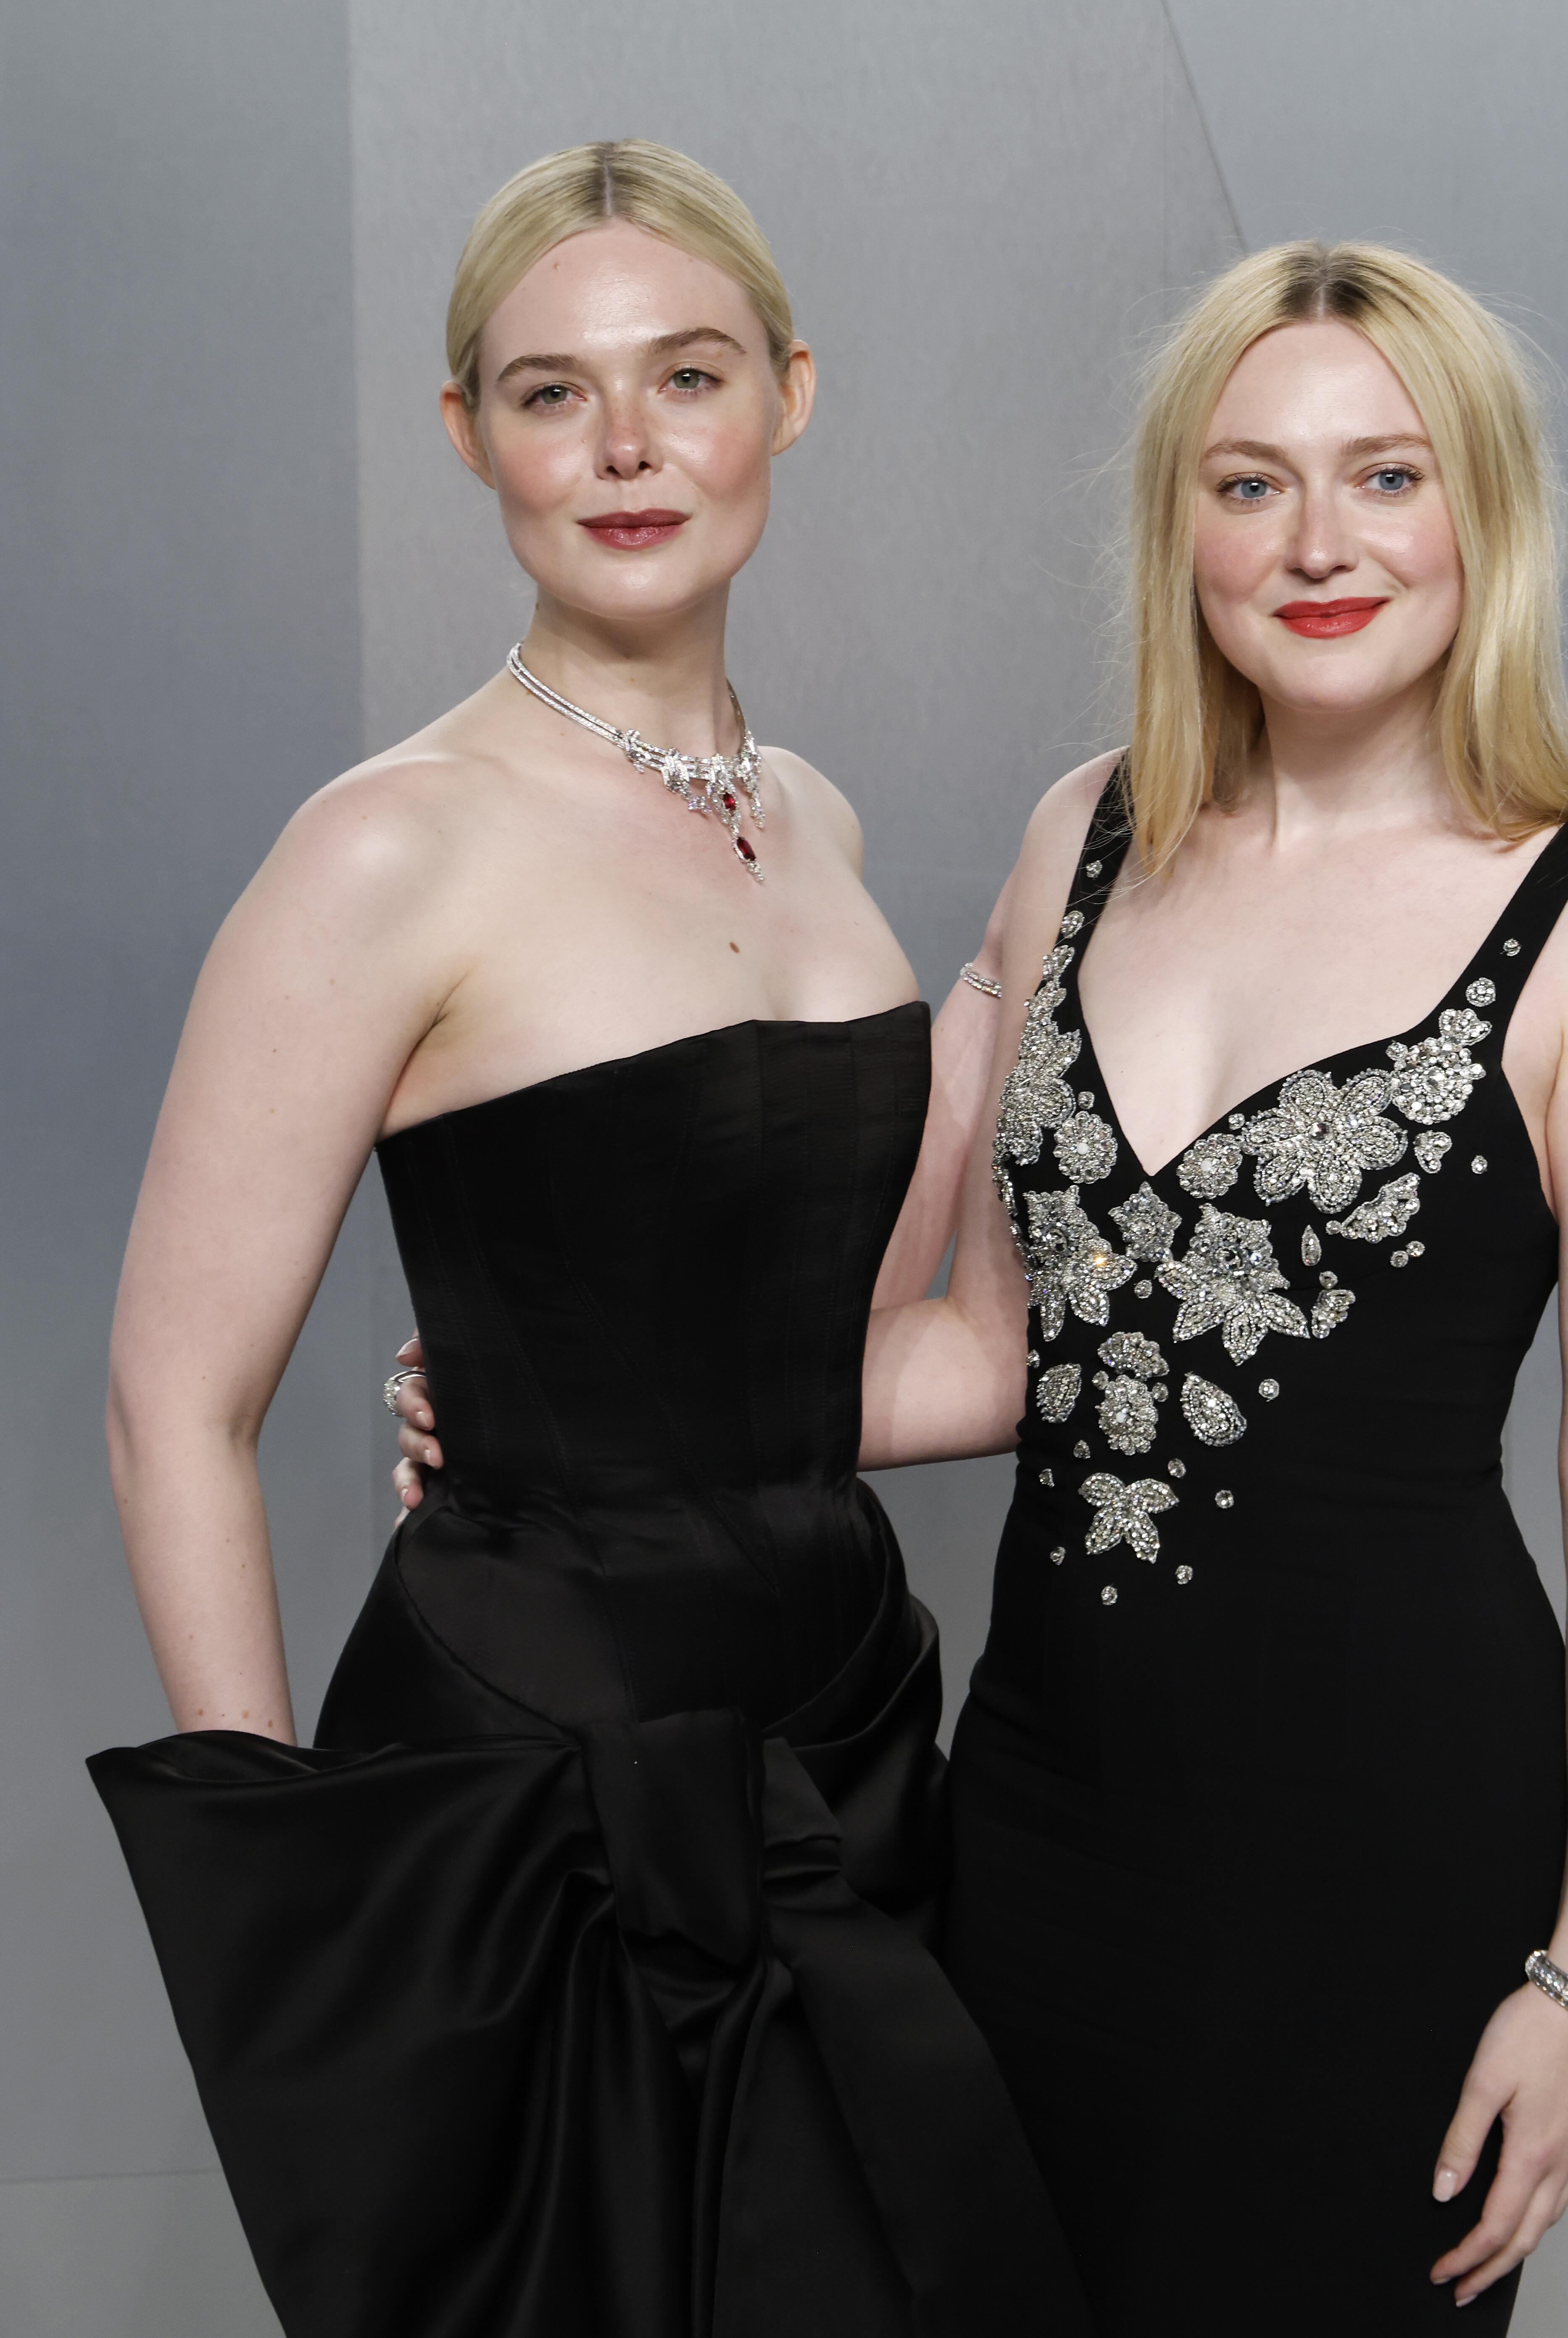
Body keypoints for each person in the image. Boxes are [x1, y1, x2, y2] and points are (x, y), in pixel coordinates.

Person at [391, 242, 1568, 2328]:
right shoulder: (1091, 831)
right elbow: (976, 1351)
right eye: (1250, 484)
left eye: (1388, 477)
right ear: (1180, 526)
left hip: (1394, 1831)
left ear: (1484, 507)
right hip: (1035, 1817)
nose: (1318, 545)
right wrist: (584, 1410)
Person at [91, 140, 1088, 2338]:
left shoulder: (812, 815)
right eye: (554, 392)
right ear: (470, 434)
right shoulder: (383, 848)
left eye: (688, 374)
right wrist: (303, 1893)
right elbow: (174, 1401)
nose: (629, 444)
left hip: (847, 1737)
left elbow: (817, 1345)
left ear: (789, 395)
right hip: (534, 1792)